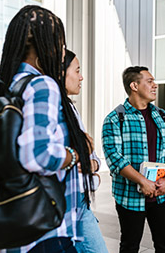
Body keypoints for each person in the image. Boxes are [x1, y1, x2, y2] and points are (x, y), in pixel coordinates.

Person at [0, 5, 94, 253]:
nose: (63, 50)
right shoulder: (42, 85)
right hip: (44, 232)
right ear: (47, 45)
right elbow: (38, 155)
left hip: (10, 223)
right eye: (60, 42)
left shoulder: (5, 87)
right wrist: (76, 153)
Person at [102, 66, 165, 253]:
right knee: (129, 247)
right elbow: (114, 158)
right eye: (150, 81)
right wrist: (142, 181)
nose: (155, 85)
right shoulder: (115, 119)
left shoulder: (162, 116)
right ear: (134, 85)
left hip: (163, 196)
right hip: (130, 197)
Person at [63, 49, 108, 253]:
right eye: (77, 70)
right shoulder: (54, 109)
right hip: (68, 203)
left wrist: (94, 164)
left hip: (80, 202)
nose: (81, 77)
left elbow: (92, 154)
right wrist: (80, 155)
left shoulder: (72, 109)